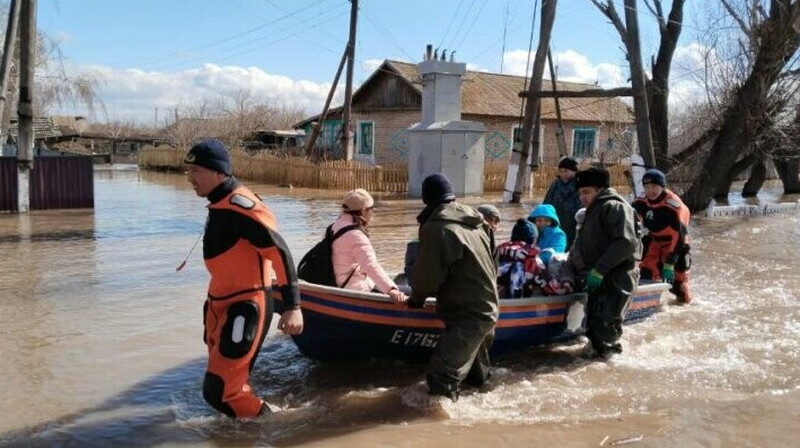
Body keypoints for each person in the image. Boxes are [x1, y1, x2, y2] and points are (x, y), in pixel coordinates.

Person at [184, 139, 303, 418]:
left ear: (218, 172)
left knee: (221, 393)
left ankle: (274, 423)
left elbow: (280, 253)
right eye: (187, 172)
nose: (189, 179)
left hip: (246, 305)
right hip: (220, 304)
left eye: (195, 172)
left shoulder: (242, 206)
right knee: (222, 387)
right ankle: (242, 432)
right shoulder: (220, 202)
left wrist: (293, 306)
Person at [407, 173, 499, 401]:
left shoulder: (437, 228)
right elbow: (492, 261)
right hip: (489, 307)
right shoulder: (477, 222)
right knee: (478, 379)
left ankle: (439, 429)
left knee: (442, 374)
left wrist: (416, 299)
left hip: (468, 314)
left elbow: (427, 275)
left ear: (426, 199)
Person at [567, 166, 641, 359]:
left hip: (617, 276)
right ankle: (595, 361)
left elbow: (625, 242)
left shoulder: (614, 207)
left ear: (600, 190)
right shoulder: (594, 209)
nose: (582, 197)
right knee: (595, 324)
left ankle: (610, 364)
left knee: (607, 324)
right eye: (580, 193)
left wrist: (599, 270)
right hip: (600, 275)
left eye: (586, 192)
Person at [331, 189, 406, 303]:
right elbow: (370, 266)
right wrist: (391, 289)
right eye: (372, 208)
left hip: (338, 282)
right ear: (364, 211)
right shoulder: (356, 235)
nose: (372, 212)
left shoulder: (334, 227)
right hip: (357, 288)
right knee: (410, 291)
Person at [632, 169, 692, 304]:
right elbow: (629, 220)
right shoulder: (640, 201)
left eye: (654, 186)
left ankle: (684, 305)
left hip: (676, 245)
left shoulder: (674, 207)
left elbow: (680, 237)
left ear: (662, 186)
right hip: (654, 241)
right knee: (646, 273)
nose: (650, 191)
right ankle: (644, 305)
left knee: (678, 286)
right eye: (646, 187)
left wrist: (670, 262)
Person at [496, 219, 541, 298]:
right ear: (533, 239)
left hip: (499, 279)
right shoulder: (531, 252)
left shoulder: (502, 248)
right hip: (518, 285)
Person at [543, 156, 582, 248]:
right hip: (555, 220)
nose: (563, 174)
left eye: (566, 171)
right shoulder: (556, 184)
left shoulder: (580, 185)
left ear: (574, 171)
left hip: (572, 221)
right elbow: (547, 202)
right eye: (561, 171)